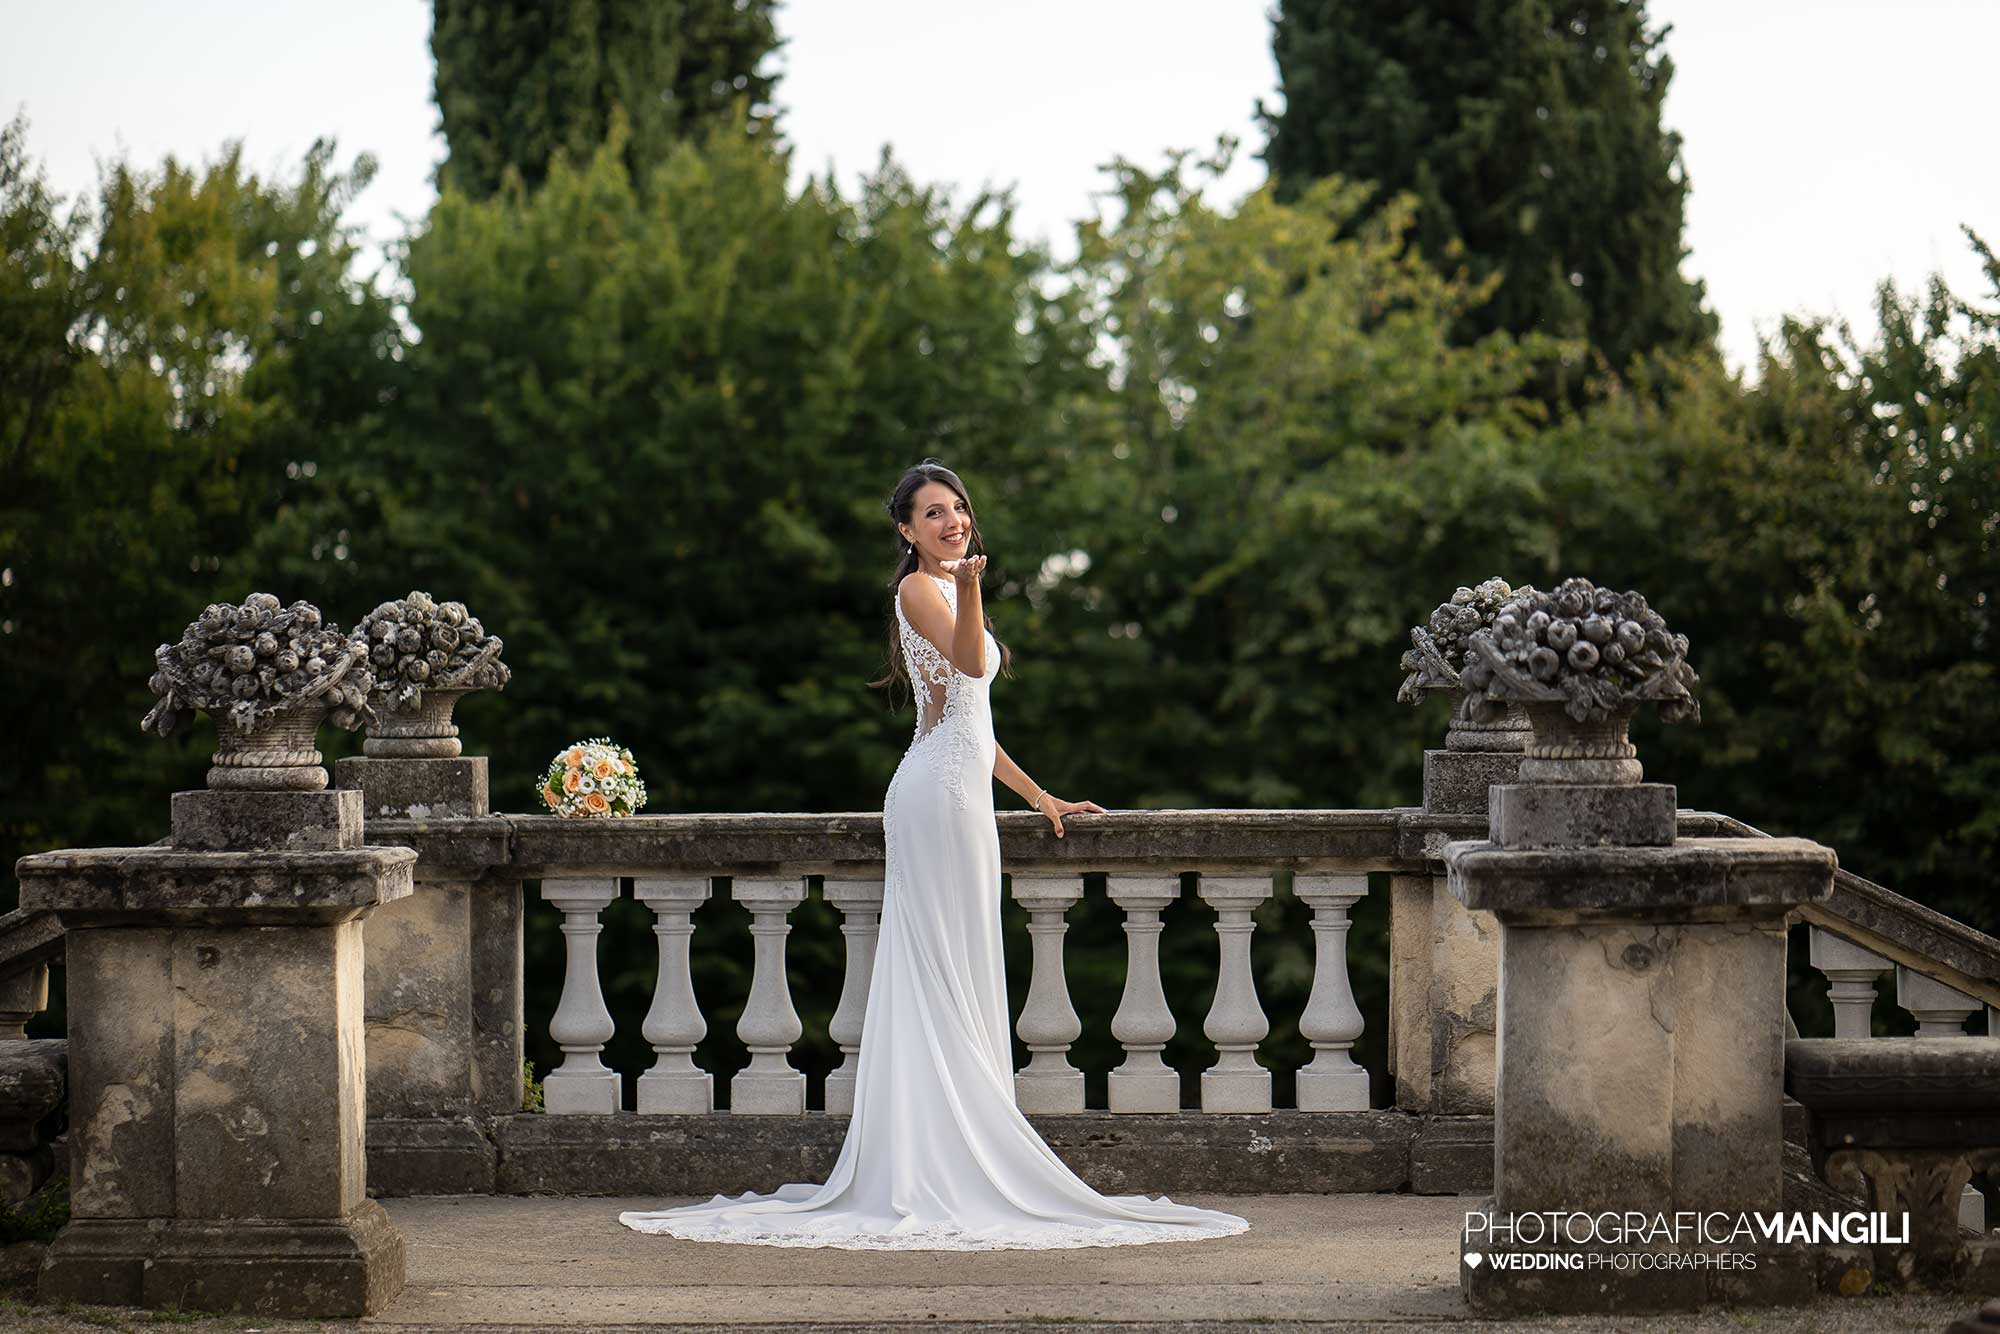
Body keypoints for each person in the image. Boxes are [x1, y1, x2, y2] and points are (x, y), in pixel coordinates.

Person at [617, 459, 1250, 1250]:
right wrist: (975, 586)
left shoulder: (950, 591)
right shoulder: (923, 589)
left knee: (963, 956)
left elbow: (969, 724)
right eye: (934, 513)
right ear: (907, 531)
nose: (952, 520)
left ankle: (959, 1136)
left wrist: (1041, 797)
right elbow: (973, 664)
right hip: (936, 799)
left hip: (957, 787)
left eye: (958, 507)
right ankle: (942, 1155)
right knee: (942, 959)